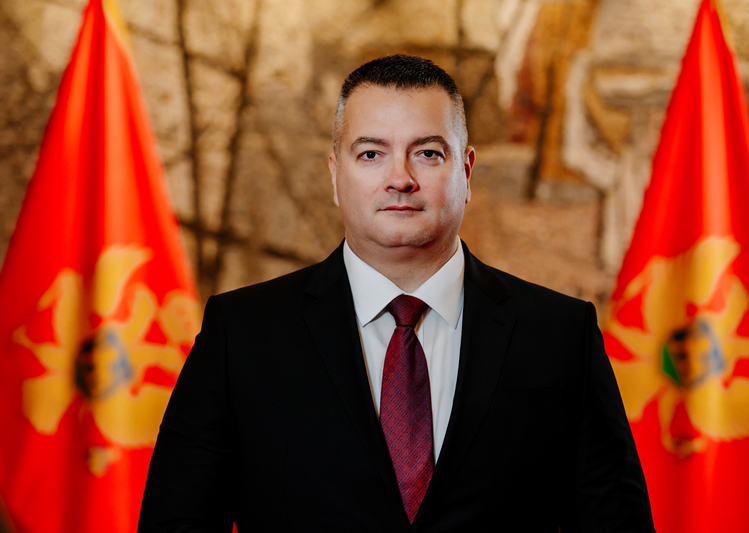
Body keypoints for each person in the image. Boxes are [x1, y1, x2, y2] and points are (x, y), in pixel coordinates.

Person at [138, 54, 654, 532]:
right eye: (371, 154)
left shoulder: (560, 337)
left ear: (466, 171)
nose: (400, 179)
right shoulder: (242, 336)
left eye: (427, 153)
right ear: (336, 175)